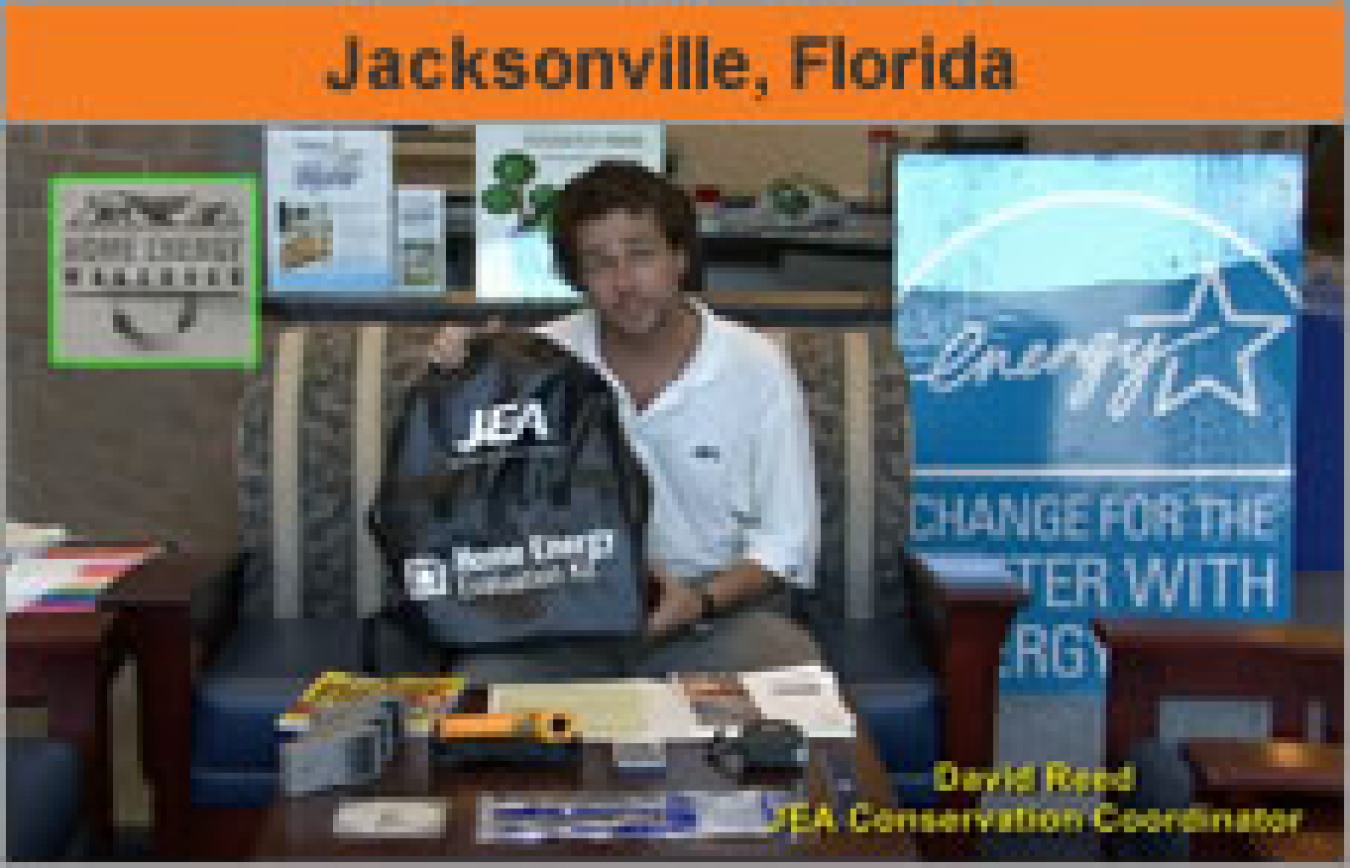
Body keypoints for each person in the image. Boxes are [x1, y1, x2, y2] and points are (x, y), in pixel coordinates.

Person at [424, 160, 822, 682]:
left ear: (679, 257)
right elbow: (473, 508)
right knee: (479, 684)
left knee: (788, 663)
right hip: (567, 624)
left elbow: (786, 545)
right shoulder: (541, 362)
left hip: (712, 617)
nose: (624, 283)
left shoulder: (756, 366)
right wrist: (458, 378)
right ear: (576, 278)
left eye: (641, 255)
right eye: (598, 263)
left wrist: (697, 601)